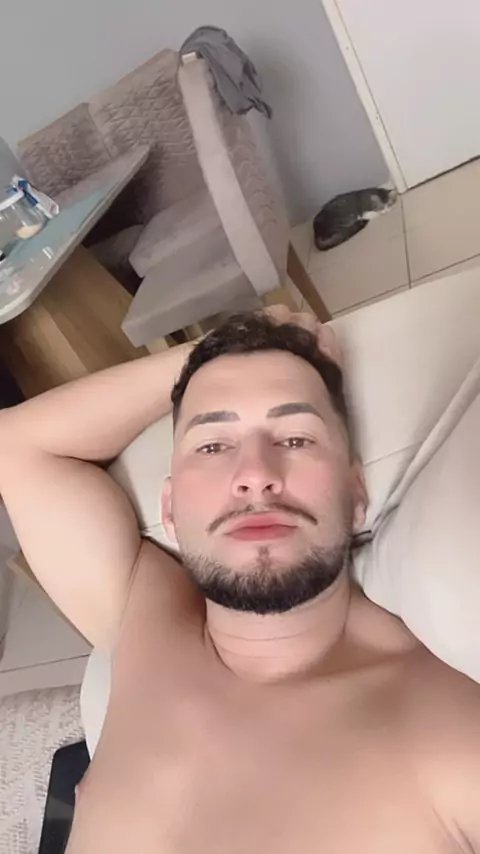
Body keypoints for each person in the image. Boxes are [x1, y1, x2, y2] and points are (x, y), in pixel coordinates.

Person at [0, 306, 479, 854]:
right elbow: (16, 446)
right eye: (213, 446)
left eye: (295, 439)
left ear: (356, 493)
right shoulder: (147, 618)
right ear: (170, 508)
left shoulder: (448, 731)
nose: (255, 475)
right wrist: (213, 352)